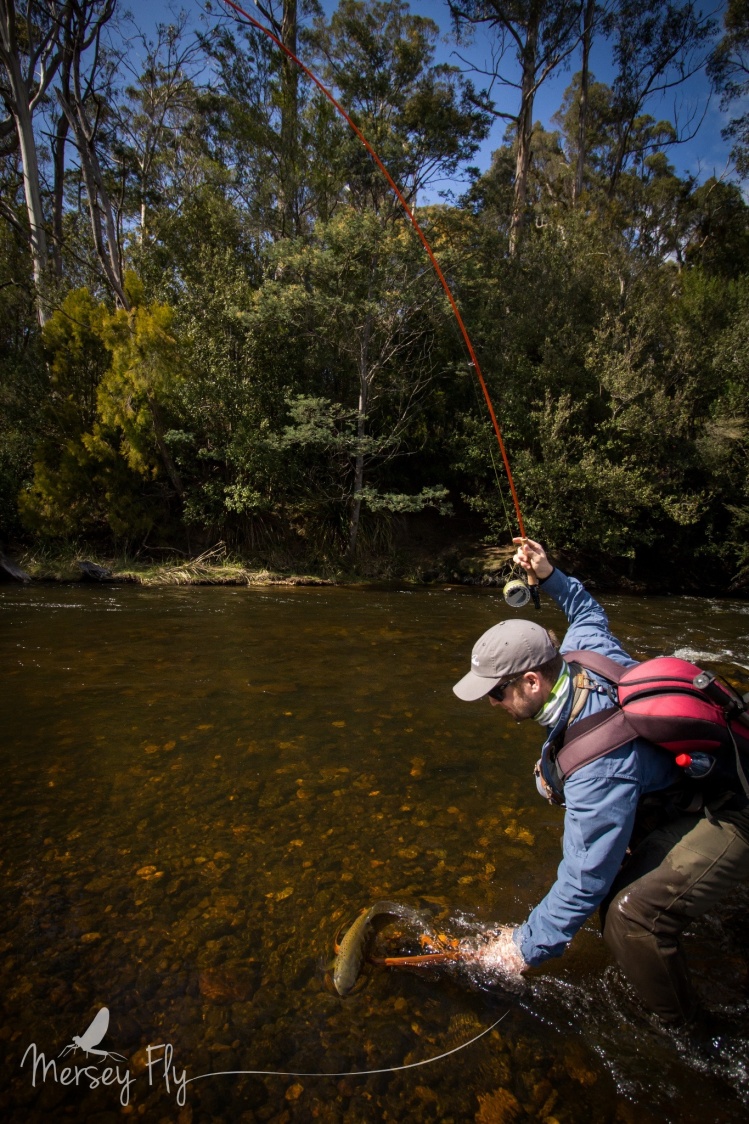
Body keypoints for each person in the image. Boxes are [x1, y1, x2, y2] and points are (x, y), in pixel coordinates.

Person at [452, 538, 749, 1027]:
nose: (491, 705)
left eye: (496, 693)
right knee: (562, 785)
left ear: (531, 681)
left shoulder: (597, 767)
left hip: (734, 805)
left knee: (627, 914)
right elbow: (584, 607)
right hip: (702, 771)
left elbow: (583, 880)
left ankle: (691, 1033)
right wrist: (548, 575)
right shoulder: (581, 648)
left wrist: (520, 949)